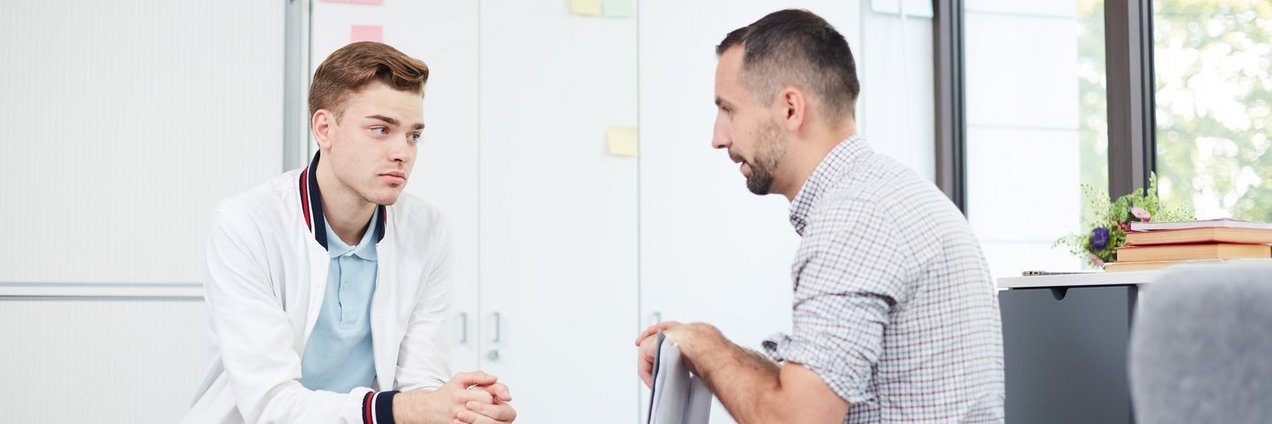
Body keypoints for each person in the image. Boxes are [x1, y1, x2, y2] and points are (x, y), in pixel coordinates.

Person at [636, 9, 1004, 423]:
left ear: (790, 109)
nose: (718, 138)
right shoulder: (883, 195)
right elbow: (818, 394)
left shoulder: (853, 220)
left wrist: (705, 345)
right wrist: (696, 344)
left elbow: (798, 419)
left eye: (728, 110)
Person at [184, 41, 516, 424]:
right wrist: (412, 408)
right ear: (325, 128)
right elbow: (271, 404)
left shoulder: (429, 230)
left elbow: (420, 382)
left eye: (413, 135)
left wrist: (461, 410)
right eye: (380, 129)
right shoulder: (247, 224)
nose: (402, 152)